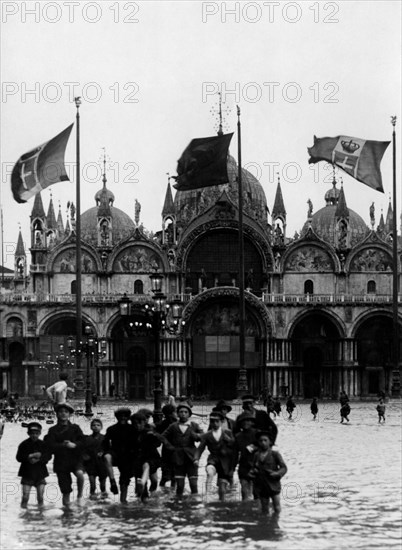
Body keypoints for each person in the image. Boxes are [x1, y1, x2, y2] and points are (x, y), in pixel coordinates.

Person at [44, 403, 85, 507]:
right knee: (65, 491)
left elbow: (83, 442)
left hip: (75, 458)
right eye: (61, 412)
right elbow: (50, 446)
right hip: (61, 461)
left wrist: (74, 445)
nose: (63, 414)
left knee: (80, 474)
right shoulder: (52, 430)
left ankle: (80, 496)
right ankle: (67, 514)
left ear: (69, 414)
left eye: (66, 412)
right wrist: (63, 445)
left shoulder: (75, 428)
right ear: (57, 414)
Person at [161, 402, 203, 497]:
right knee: (179, 485)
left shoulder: (194, 425)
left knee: (193, 484)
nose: (183, 414)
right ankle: (179, 504)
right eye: (181, 412)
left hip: (191, 457)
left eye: (185, 412)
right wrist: (170, 446)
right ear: (178, 413)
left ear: (189, 414)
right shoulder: (173, 426)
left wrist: (195, 436)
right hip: (177, 458)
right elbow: (163, 437)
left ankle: (194, 504)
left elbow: (203, 436)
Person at [194, 411, 235, 501]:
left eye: (217, 421)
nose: (215, 424)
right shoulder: (206, 435)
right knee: (210, 472)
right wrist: (196, 459)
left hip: (225, 462)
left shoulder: (228, 432)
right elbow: (200, 448)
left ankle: (224, 500)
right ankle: (207, 494)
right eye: (212, 421)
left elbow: (235, 446)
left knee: (222, 488)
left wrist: (229, 441)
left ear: (221, 422)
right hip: (213, 459)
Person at [249, 431, 287, 515]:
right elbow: (253, 467)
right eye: (261, 441)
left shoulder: (275, 454)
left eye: (265, 440)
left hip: (273, 484)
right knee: (264, 508)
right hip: (262, 485)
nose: (263, 443)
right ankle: (266, 524)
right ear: (258, 442)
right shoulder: (256, 455)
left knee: (276, 507)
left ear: (270, 442)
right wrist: (252, 472)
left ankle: (276, 522)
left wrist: (277, 473)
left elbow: (284, 467)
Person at [102, 407, 135, 503]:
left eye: (125, 416)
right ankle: (112, 481)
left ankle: (123, 501)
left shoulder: (132, 429)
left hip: (128, 456)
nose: (123, 418)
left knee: (124, 480)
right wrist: (104, 451)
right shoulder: (111, 429)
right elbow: (105, 443)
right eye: (120, 416)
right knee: (107, 457)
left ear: (128, 417)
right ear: (117, 417)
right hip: (115, 453)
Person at [16, 422, 50, 508]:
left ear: (40, 433)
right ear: (28, 433)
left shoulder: (43, 444)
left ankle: (40, 514)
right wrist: (29, 456)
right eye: (32, 433)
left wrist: (39, 459)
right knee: (25, 497)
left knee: (41, 497)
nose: (34, 435)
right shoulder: (23, 444)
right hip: (27, 474)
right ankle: (23, 515)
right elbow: (19, 458)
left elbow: (48, 457)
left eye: (36, 433)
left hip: (40, 474)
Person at [131, 412, 162, 501]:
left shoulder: (150, 432)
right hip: (137, 459)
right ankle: (141, 499)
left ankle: (151, 495)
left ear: (144, 422)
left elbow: (158, 443)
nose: (137, 426)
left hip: (151, 457)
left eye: (139, 423)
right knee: (140, 480)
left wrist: (152, 437)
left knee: (154, 481)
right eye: (135, 424)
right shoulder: (131, 433)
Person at [233, 412, 258, 500]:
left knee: (257, 492)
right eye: (243, 421)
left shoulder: (258, 434)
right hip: (243, 466)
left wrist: (253, 447)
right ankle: (245, 509)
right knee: (244, 491)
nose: (245, 423)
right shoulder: (238, 436)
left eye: (248, 421)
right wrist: (232, 468)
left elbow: (265, 447)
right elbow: (235, 454)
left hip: (256, 466)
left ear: (252, 422)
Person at [83, 418, 108, 497]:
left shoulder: (105, 438)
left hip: (102, 464)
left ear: (101, 427)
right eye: (93, 425)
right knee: (92, 486)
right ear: (90, 427)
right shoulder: (87, 439)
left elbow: (109, 450)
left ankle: (104, 501)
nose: (96, 427)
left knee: (103, 486)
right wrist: (85, 458)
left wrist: (103, 453)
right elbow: (83, 451)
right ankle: (92, 502)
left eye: (98, 425)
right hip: (91, 465)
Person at [155, 404, 177, 488]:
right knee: (171, 476)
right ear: (171, 413)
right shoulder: (173, 424)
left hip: (167, 451)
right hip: (171, 451)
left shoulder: (162, 423)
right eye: (175, 412)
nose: (176, 413)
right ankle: (171, 491)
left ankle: (163, 490)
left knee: (166, 475)